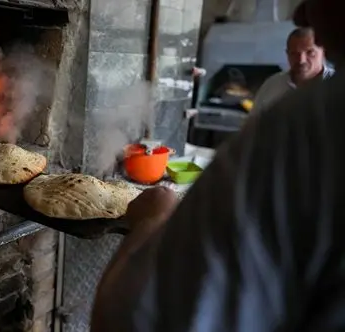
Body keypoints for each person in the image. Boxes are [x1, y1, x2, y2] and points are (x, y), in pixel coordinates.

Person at [91, 0, 345, 330]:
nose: (299, 13)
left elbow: (131, 318)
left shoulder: (314, 119)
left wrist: (153, 217)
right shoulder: (279, 93)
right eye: (294, 51)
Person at [252, 27, 333, 114]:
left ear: (323, 52)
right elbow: (253, 123)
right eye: (294, 54)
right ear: (287, 54)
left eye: (310, 52)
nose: (301, 60)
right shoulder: (272, 86)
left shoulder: (338, 85)